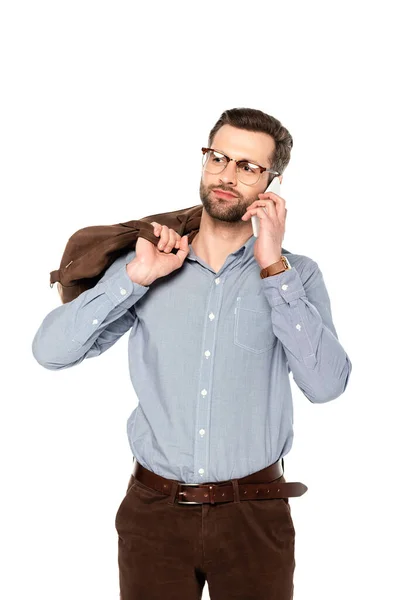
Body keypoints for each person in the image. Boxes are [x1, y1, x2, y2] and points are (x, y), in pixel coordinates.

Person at [32, 107, 352, 599]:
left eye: (248, 166)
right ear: (204, 160)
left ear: (273, 183)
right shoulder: (149, 263)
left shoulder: (297, 275)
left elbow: (327, 386)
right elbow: (49, 352)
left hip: (254, 517)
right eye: (219, 157)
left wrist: (273, 269)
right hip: (153, 515)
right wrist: (133, 279)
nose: (227, 175)